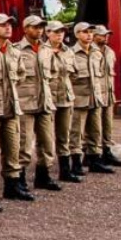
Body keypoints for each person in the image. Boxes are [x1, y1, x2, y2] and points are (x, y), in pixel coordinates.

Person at [0, 14, 29, 200]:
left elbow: (21, 75)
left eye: (10, 24)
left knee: (13, 149)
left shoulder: (14, 51)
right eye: (3, 25)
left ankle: (12, 186)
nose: (8, 28)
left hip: (11, 107)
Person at [14, 16, 61, 192]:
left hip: (45, 102)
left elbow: (54, 71)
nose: (39, 30)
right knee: (24, 144)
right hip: (26, 102)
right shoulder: (17, 50)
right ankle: (20, 179)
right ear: (25, 29)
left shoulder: (46, 49)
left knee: (47, 143)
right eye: (35, 27)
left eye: (41, 27)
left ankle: (43, 176)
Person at [70, 22, 112, 174]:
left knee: (96, 131)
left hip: (95, 98)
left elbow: (100, 75)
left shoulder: (96, 53)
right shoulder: (71, 54)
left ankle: (95, 160)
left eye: (90, 32)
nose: (89, 35)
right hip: (79, 99)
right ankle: (76, 163)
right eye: (84, 32)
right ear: (77, 34)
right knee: (77, 132)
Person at [46, 22, 80, 183]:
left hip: (65, 98)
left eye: (62, 32)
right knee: (45, 137)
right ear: (47, 33)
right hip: (48, 99)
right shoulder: (42, 51)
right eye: (55, 32)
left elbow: (74, 74)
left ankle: (65, 170)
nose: (59, 35)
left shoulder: (69, 52)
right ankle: (44, 172)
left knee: (64, 135)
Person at [93, 26, 121, 166]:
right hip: (96, 95)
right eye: (102, 35)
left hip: (108, 94)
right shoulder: (90, 51)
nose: (105, 37)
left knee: (108, 125)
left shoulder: (110, 52)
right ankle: (93, 154)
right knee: (94, 127)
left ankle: (107, 151)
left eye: (107, 35)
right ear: (94, 36)